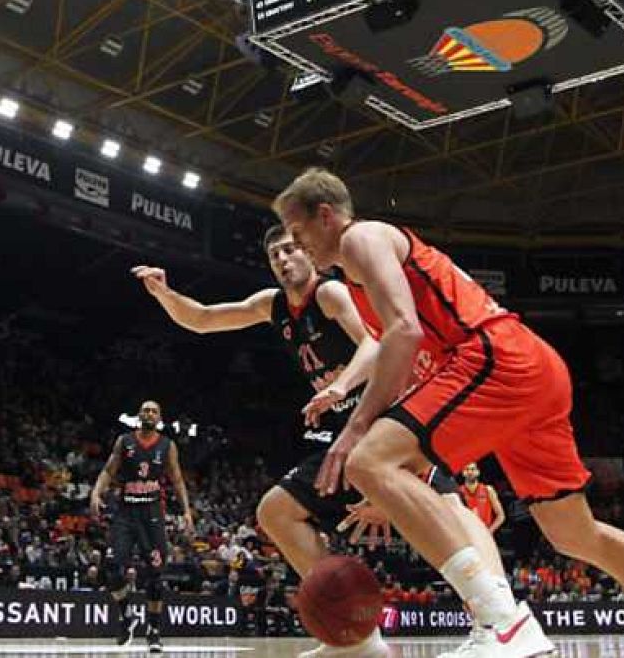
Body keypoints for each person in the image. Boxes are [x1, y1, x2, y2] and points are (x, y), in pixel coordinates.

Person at [273, 168, 624, 658]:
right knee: (575, 534)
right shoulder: (359, 281)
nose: (297, 247)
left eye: (297, 234)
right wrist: (398, 477)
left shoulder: (363, 238)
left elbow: (406, 332)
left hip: (494, 357)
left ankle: (504, 623)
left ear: (327, 215)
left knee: (365, 458)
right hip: (529, 372)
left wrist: (356, 432)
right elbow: (407, 372)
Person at [133, 229, 480, 658]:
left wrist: (341, 387)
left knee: (453, 520)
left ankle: (494, 620)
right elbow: (204, 319)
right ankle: (354, 636)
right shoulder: (272, 305)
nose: (282, 257)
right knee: (277, 512)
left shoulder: (330, 292)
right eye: (274, 253)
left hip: (396, 422)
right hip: (349, 437)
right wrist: (165, 294)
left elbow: (375, 343)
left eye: (291, 249)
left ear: (311, 255)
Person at [90, 401, 194, 653]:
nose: (148, 413)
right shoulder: (124, 441)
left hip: (152, 515)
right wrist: (95, 493)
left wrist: (187, 512)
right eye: (145, 410)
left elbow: (177, 479)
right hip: (126, 512)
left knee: (156, 576)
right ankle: (127, 615)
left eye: (153, 411)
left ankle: (154, 631)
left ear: (159, 417)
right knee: (112, 569)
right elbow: (108, 470)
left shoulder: (167, 446)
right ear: (139, 415)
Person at [459, 463, 504, 534]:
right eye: (467, 469)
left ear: (478, 472)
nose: (470, 472)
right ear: (463, 473)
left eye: (473, 469)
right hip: (468, 533)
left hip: (486, 532)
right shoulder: (458, 492)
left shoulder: (488, 489)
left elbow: (501, 515)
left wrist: (489, 531)